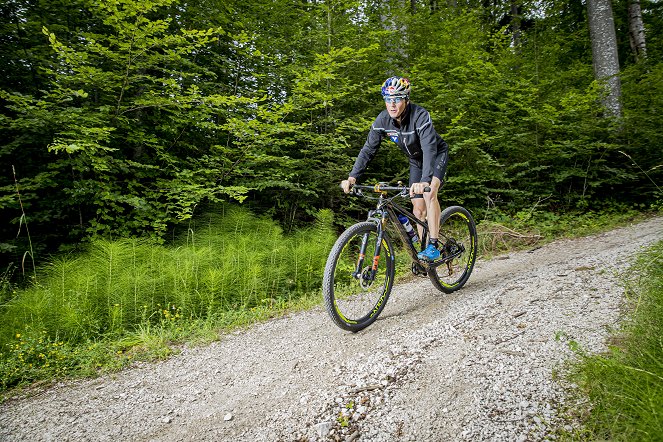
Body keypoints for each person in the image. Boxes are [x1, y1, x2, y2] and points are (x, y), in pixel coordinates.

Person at [341, 76, 449, 261]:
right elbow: (368, 149)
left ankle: (433, 245)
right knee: (418, 211)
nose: (392, 104)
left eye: (397, 99)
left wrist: (425, 181)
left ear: (406, 99)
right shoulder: (383, 120)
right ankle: (423, 254)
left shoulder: (420, 116)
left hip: (435, 155)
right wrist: (352, 177)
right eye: (388, 99)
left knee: (429, 193)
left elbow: (429, 149)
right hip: (416, 161)